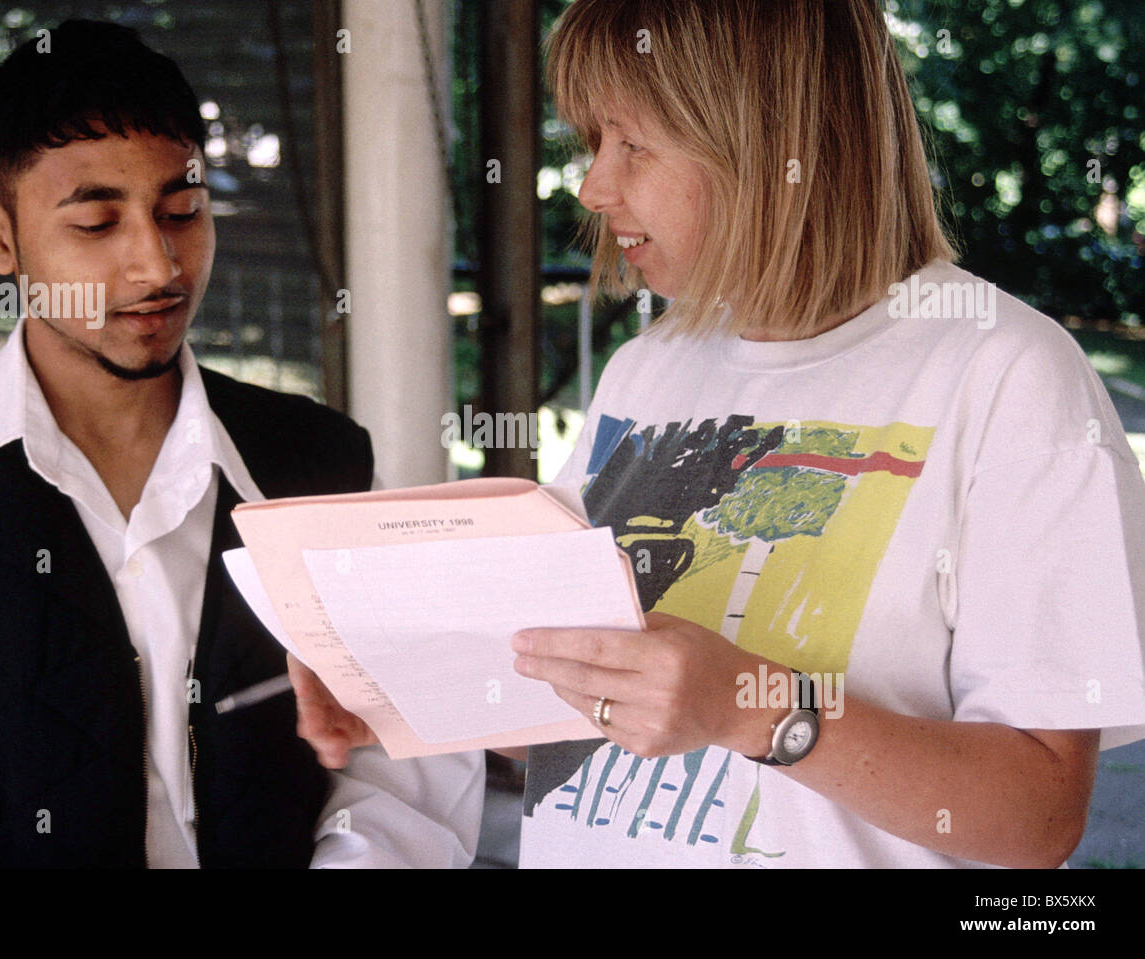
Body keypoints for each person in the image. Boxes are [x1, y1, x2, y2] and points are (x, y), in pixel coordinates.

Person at [296, 0, 1145, 868]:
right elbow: (567, 727)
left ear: (770, 146)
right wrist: (403, 685)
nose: (592, 185)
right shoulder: (649, 368)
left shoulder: (1011, 378)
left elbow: (1039, 820)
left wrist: (757, 708)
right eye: (593, 142)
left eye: (632, 145)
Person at [0, 19, 483, 868]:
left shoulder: (328, 467)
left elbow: (416, 772)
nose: (158, 265)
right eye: (97, 224)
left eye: (181, 211)